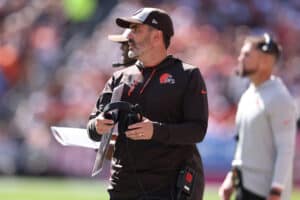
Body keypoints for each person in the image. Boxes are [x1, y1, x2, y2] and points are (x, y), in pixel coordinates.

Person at [87, 7, 208, 200]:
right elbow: (92, 127)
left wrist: (155, 130)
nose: (130, 37)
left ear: (157, 36)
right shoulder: (119, 77)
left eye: (136, 30)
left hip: (166, 189)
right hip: (122, 187)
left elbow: (197, 130)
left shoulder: (188, 75)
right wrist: (99, 125)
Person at [218, 33, 297, 200]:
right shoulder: (249, 94)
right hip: (245, 186)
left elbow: (285, 149)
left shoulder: (280, 98)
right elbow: (242, 143)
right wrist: (231, 178)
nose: (240, 58)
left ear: (265, 61)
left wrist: (276, 190)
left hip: (265, 192)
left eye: (246, 55)